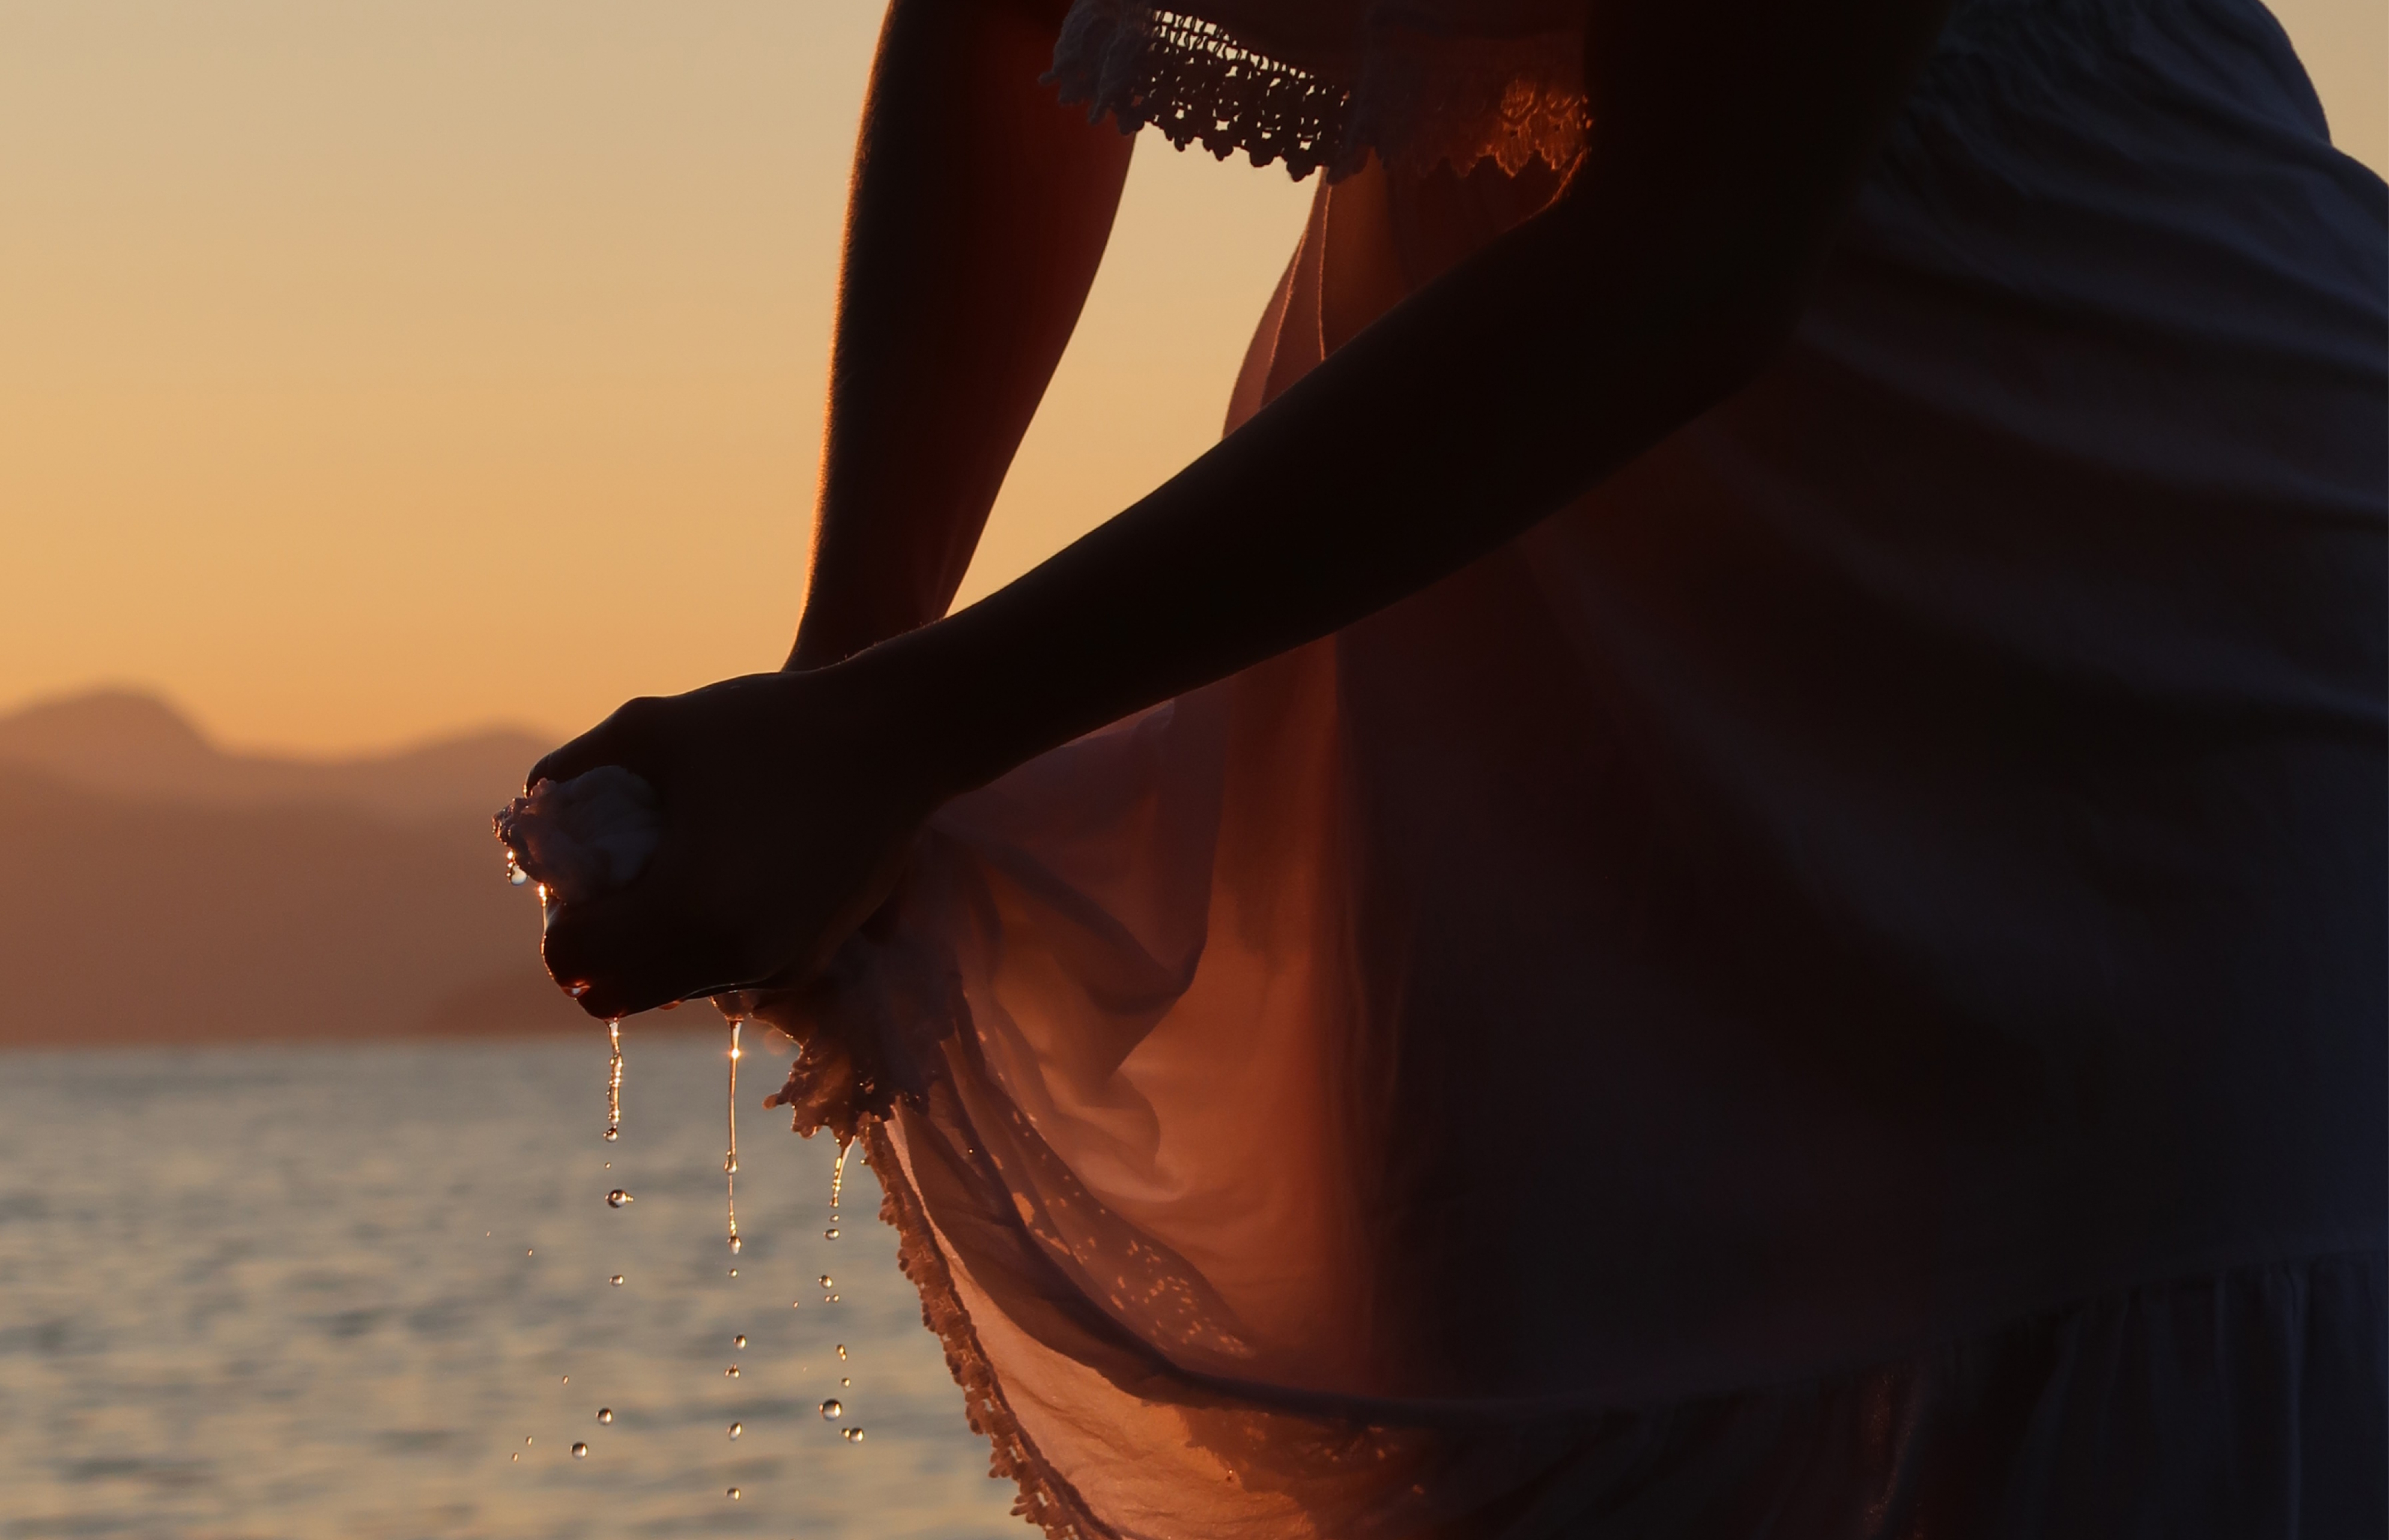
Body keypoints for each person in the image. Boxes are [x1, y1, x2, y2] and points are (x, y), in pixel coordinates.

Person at [522, 0, 2387, 1530]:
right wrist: (849, 690)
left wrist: (890, 732)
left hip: (2089, 631)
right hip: (1506, 685)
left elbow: (1702, 240)